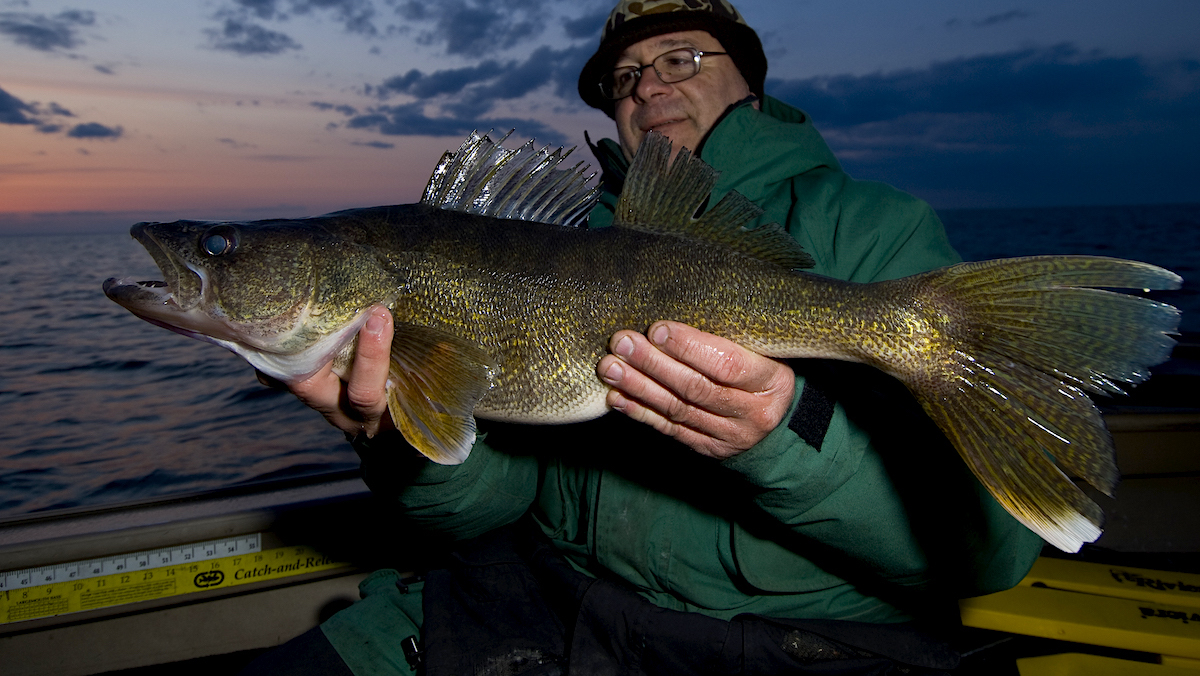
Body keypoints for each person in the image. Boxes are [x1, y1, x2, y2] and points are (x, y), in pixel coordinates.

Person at [245, 1, 1044, 674]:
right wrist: (399, 438)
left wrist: (785, 434)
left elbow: (995, 555)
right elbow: (492, 506)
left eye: (680, 58)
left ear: (751, 83)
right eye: (623, 78)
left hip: (791, 645)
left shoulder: (872, 230)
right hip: (558, 608)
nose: (647, 86)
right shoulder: (568, 241)